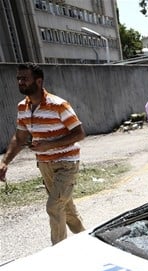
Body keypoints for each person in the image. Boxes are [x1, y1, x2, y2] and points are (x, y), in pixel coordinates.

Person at [0, 63, 86, 245]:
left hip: (66, 163)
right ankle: (87, 241)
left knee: (54, 207)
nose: (20, 82)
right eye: (18, 79)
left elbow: (79, 133)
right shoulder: (22, 107)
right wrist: (5, 161)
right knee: (66, 208)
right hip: (45, 165)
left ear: (38, 82)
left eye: (25, 78)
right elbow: (20, 136)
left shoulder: (58, 105)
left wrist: (50, 145)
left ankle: (59, 252)